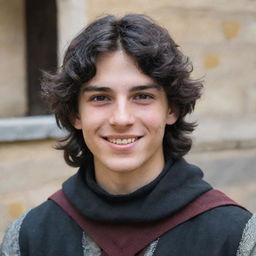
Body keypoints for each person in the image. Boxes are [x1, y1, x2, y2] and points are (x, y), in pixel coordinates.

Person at [1, 14, 255, 256]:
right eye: (100, 98)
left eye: (142, 96)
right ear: (75, 115)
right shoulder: (27, 239)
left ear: (172, 109)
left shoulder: (236, 238)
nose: (121, 119)